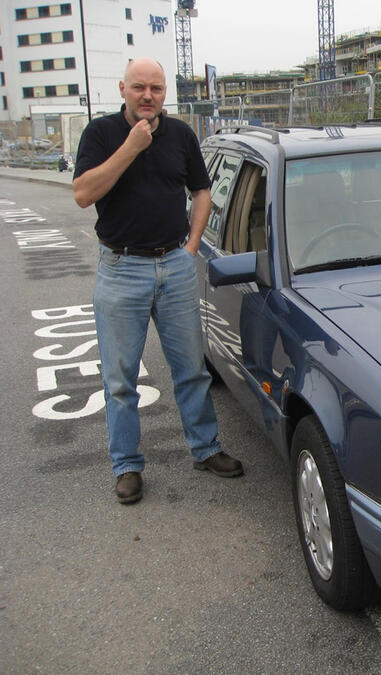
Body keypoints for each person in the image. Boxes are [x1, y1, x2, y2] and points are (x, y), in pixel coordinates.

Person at [73, 58, 242, 504]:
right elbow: (83, 194)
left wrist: (190, 249)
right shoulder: (101, 135)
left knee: (191, 368)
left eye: (157, 88)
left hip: (174, 265)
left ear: (165, 92)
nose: (148, 96)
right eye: (139, 88)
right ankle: (127, 465)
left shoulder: (182, 135)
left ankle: (206, 449)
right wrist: (131, 147)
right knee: (120, 379)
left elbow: (202, 191)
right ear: (123, 89)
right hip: (120, 269)